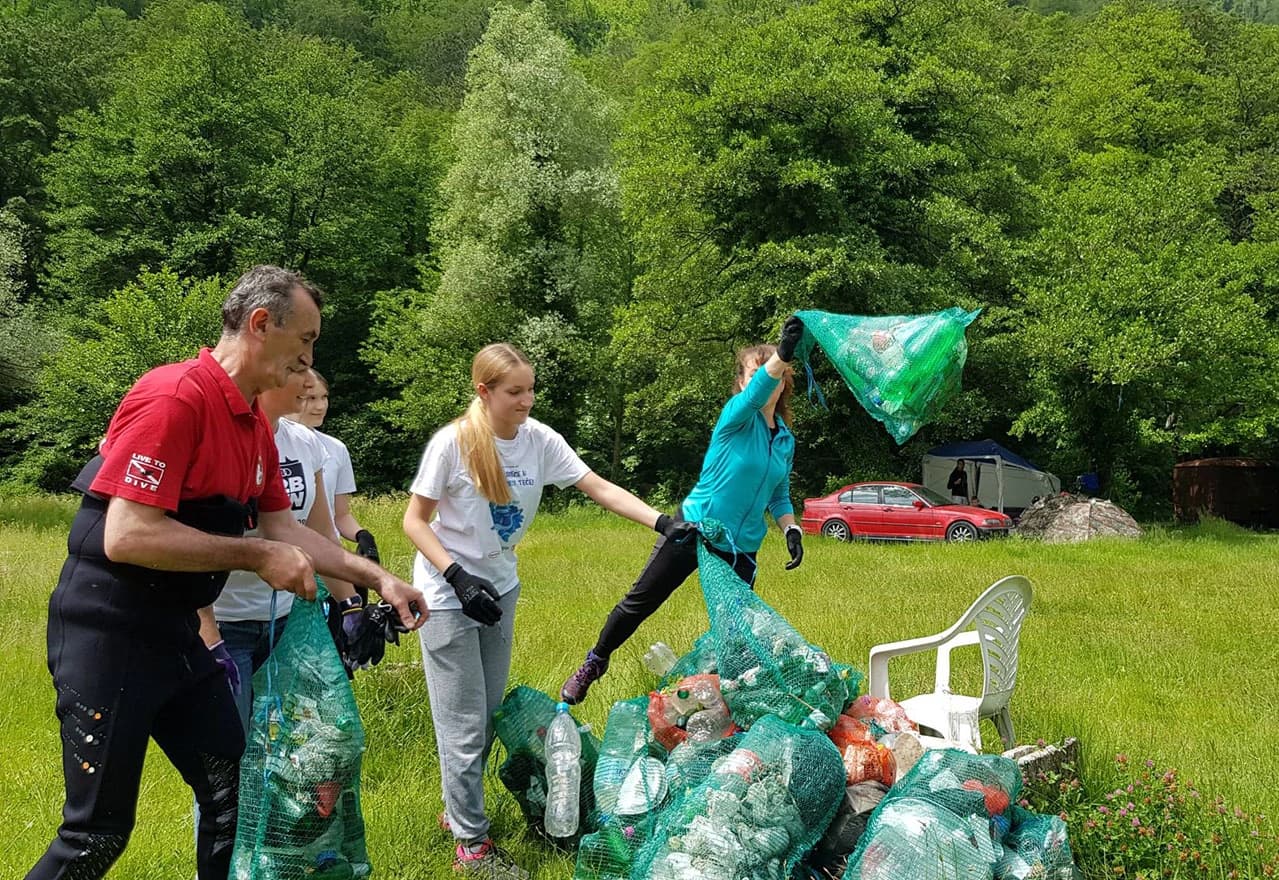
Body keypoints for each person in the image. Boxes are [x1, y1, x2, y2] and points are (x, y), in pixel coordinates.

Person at [27, 265, 425, 880]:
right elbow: (127, 534)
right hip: (107, 633)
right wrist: (253, 557)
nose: (310, 356)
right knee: (96, 835)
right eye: (308, 338)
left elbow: (284, 529)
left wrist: (377, 578)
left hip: (175, 637)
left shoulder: (254, 425)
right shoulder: (175, 397)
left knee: (230, 797)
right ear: (262, 324)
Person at [402, 342, 676, 878]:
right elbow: (414, 521)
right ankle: (471, 847)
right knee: (461, 724)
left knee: (485, 716)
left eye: (530, 389)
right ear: (485, 392)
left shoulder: (538, 441)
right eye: (515, 392)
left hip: (499, 591)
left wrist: (661, 522)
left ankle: (458, 813)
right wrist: (456, 577)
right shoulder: (452, 445)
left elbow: (595, 486)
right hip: (447, 595)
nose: (527, 400)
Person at [560, 317, 806, 706]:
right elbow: (758, 391)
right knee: (639, 603)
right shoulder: (735, 418)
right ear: (742, 383)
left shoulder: (785, 439)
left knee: (736, 633)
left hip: (740, 549)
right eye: (754, 374)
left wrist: (791, 528)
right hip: (692, 530)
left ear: (785, 383)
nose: (764, 379)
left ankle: (730, 704)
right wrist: (782, 353)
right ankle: (595, 660)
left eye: (774, 372)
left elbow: (778, 493)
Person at [203, 366, 372, 734]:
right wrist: (208, 635)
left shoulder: (306, 443)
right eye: (296, 369)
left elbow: (319, 533)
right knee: (231, 758)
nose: (311, 385)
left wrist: (351, 605)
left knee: (292, 749)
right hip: (226, 624)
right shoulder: (221, 438)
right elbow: (190, 538)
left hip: (289, 621)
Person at [286, 369, 379, 565]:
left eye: (324, 397)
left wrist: (363, 536)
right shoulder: (270, 443)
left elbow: (340, 514)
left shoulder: (337, 449)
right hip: (288, 556)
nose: (320, 406)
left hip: (328, 555)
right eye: (310, 398)